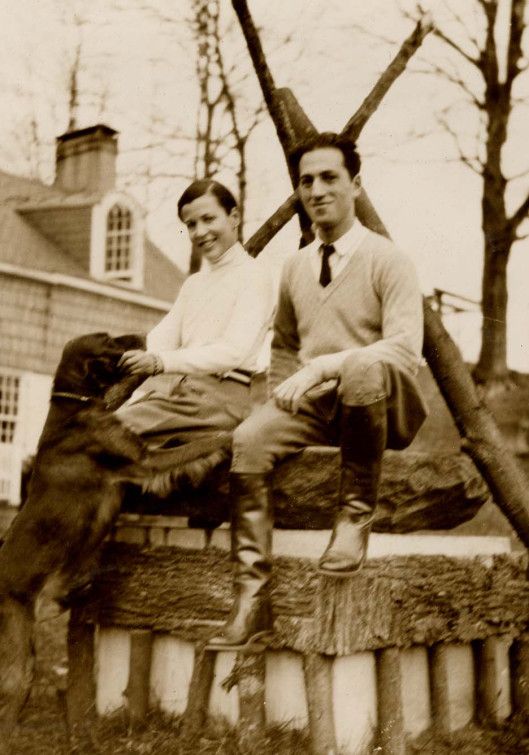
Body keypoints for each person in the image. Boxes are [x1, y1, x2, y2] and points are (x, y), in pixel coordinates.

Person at [206, 132, 427, 653]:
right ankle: (252, 601)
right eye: (306, 181)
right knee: (248, 439)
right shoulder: (294, 267)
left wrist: (328, 365)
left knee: (361, 367)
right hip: (319, 405)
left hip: (380, 403)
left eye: (329, 177)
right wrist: (280, 396)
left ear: (355, 184)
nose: (317, 190)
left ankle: (353, 520)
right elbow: (284, 344)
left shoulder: (389, 260)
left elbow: (404, 350)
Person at [116, 178, 274, 459]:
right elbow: (160, 340)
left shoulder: (254, 277)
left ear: (234, 217)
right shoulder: (194, 284)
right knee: (104, 428)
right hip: (184, 397)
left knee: (109, 433)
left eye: (208, 219)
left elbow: (233, 351)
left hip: (224, 402)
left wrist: (160, 362)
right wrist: (116, 355)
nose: (200, 232)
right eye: (191, 224)